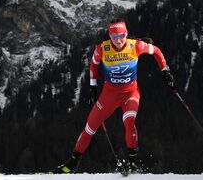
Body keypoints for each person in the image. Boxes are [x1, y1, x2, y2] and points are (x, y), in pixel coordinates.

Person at [56, 18, 174, 173]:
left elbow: (157, 51)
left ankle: (132, 163)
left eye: (121, 36)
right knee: (90, 127)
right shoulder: (102, 49)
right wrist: (92, 86)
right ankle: (72, 164)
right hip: (109, 95)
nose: (118, 41)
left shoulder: (136, 45)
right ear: (109, 37)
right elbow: (93, 64)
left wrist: (164, 70)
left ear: (126, 34)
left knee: (129, 120)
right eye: (114, 37)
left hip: (130, 93)